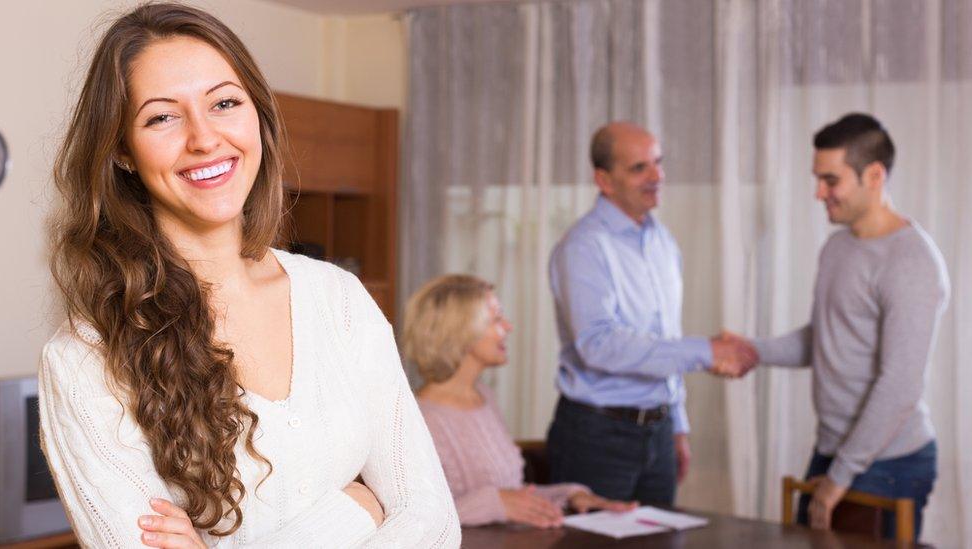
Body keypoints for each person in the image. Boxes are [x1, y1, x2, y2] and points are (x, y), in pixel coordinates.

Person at [40, 4, 459, 548]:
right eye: (162, 117)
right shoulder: (84, 359)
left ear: (257, 116)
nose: (204, 138)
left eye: (225, 103)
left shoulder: (339, 300)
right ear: (121, 150)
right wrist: (356, 511)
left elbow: (433, 523)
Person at [751, 113, 948, 540]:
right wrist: (752, 351)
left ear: (874, 175)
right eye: (817, 179)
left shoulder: (912, 262)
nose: (819, 192)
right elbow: (824, 338)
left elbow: (899, 386)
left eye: (831, 180)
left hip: (888, 462)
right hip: (836, 452)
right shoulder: (837, 248)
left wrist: (839, 477)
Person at [545, 121, 758, 506]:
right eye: (639, 167)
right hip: (597, 436)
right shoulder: (583, 247)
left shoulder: (662, 241)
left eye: (658, 163)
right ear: (604, 180)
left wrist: (677, 426)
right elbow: (599, 344)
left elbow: (665, 340)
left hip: (658, 432)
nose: (657, 176)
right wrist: (707, 352)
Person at [402, 275, 638, 528]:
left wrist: (569, 495)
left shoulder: (484, 397)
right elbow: (412, 521)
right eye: (495, 319)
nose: (509, 326)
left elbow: (509, 496)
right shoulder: (416, 418)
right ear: (460, 330)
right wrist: (494, 503)